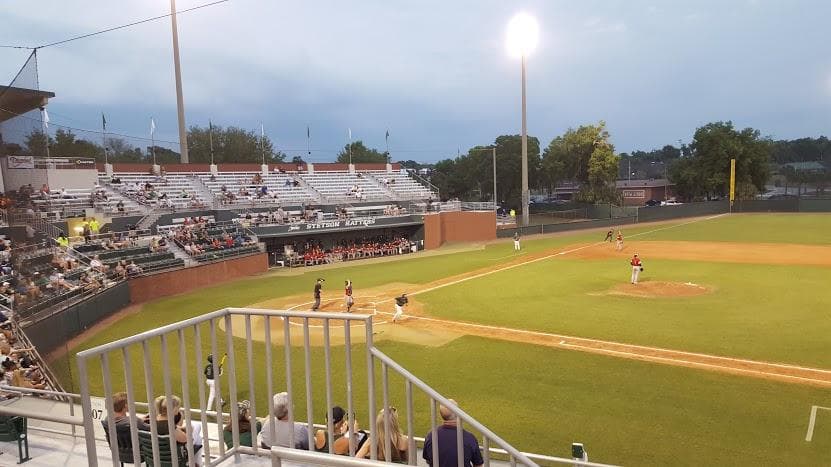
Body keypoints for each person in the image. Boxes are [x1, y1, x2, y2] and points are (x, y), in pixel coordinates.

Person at [423, 400, 483, 467]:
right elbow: (478, 464)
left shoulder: (431, 436)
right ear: (457, 413)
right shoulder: (469, 438)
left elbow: (428, 460)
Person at [101, 391, 144, 465]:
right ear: (125, 406)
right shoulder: (133, 421)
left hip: (118, 454)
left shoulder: (107, 420)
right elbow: (149, 427)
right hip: (139, 455)